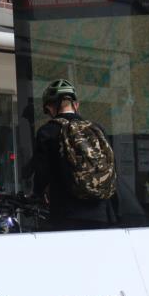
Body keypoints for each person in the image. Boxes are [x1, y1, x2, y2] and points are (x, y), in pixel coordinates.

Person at [34, 79, 117, 231]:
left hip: (66, 213)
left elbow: (41, 173)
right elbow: (111, 166)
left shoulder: (47, 131)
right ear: (76, 105)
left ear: (50, 107)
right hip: (101, 212)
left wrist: (38, 195)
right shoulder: (97, 128)